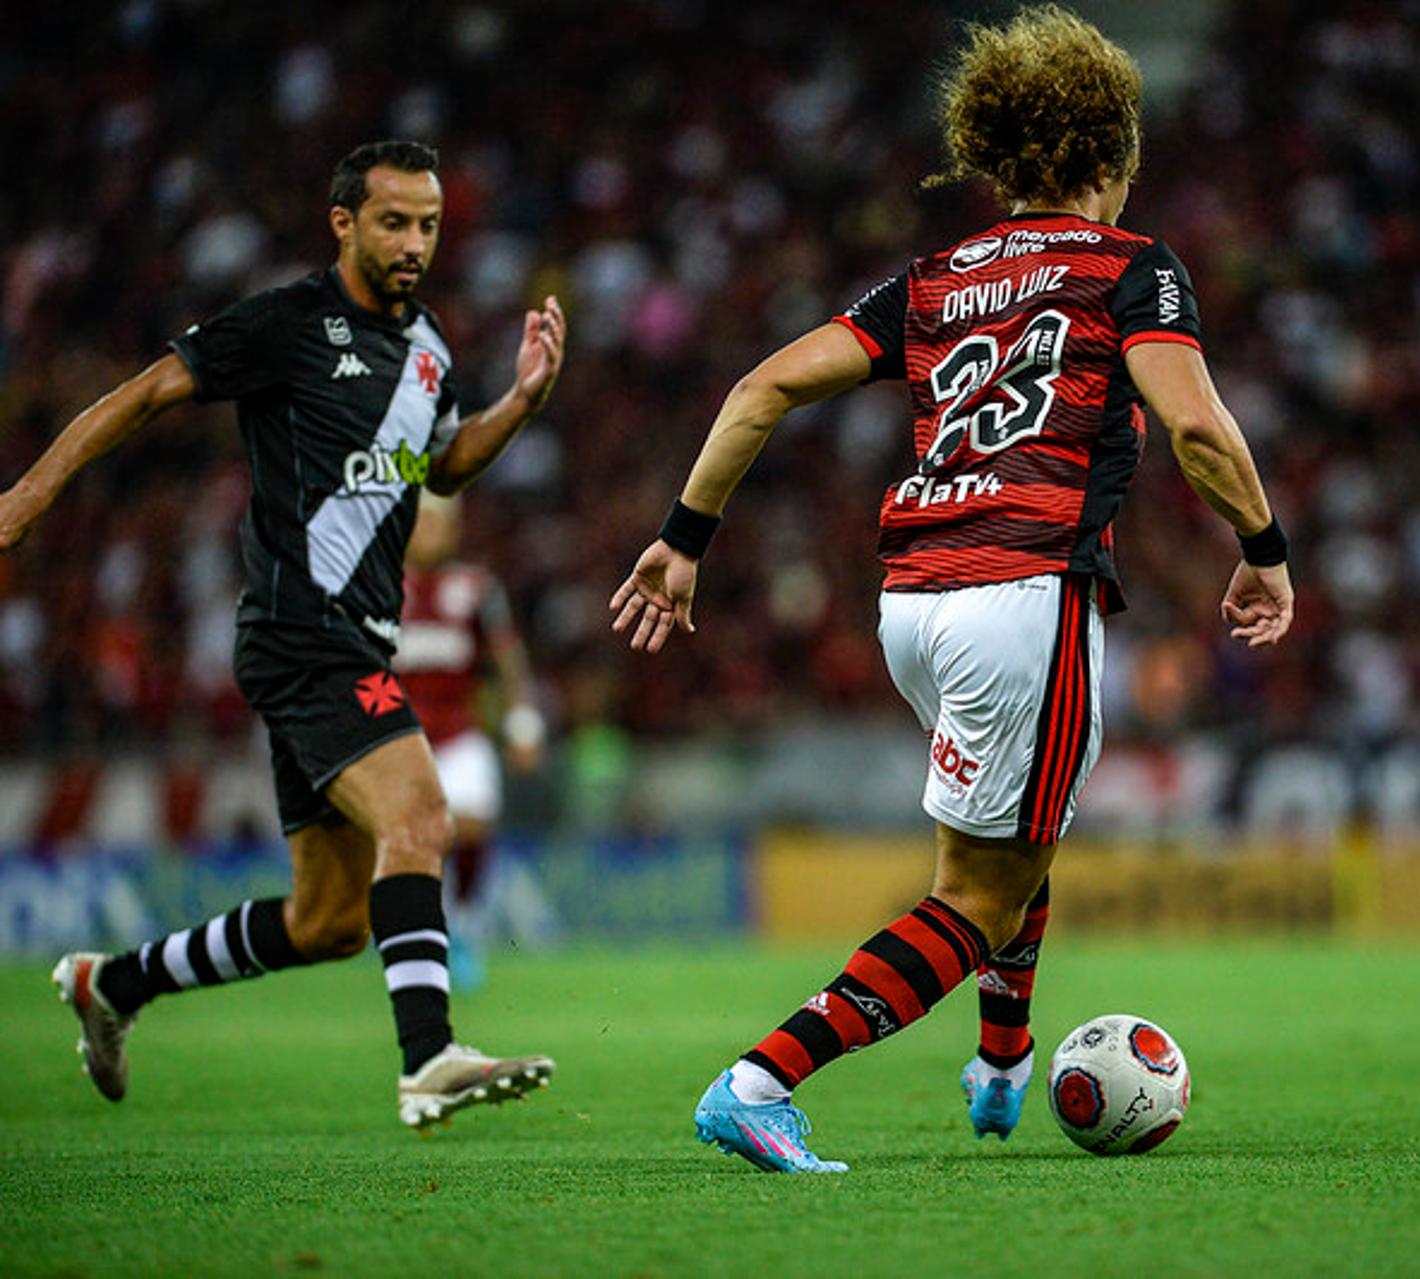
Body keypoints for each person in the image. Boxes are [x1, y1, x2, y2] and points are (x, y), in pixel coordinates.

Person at [610, 4, 1295, 1172]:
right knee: (978, 895)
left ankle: (1004, 1059)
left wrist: (683, 538)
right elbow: (1196, 428)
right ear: (1114, 156)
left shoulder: (933, 280)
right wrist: (1265, 546)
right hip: (1024, 592)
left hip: (914, 604)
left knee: (1002, 850)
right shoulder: (1130, 267)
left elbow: (762, 387)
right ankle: (758, 1080)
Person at [0, 140, 567, 1128]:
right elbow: (145, 394)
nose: (415, 243)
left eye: (429, 225)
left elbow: (443, 469)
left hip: (355, 638)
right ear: (342, 221)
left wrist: (520, 403)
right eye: (394, 221)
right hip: (304, 632)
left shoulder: (429, 347)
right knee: (421, 814)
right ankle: (428, 1054)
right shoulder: (286, 323)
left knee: (328, 921)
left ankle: (114, 983)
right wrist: (31, 489)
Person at [393, 492, 545, 990]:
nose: (431, 533)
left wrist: (522, 721)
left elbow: (507, 659)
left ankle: (462, 928)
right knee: (412, 841)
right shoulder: (381, 586)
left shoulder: (476, 588)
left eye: (439, 524)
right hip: (399, 735)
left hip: (459, 730)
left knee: (474, 821)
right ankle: (414, 935)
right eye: (423, 524)